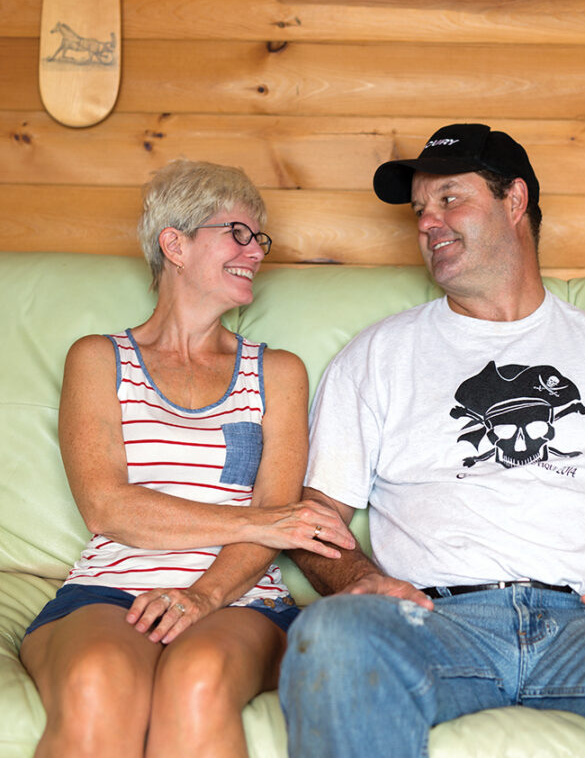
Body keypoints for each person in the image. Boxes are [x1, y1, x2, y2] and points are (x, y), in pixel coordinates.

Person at [279, 123, 585, 758]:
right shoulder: (378, 354)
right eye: (419, 211)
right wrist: (356, 580)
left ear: (514, 202)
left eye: (450, 199)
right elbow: (317, 515)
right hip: (434, 626)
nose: (429, 222)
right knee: (334, 633)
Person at [20, 159, 353, 758]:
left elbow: (277, 515)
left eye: (261, 239)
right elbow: (107, 508)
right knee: (97, 683)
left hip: (239, 597)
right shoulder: (97, 360)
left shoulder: (277, 373)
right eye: (238, 233)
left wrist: (203, 595)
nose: (256, 252)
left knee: (197, 680)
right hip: (109, 589)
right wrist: (258, 520)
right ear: (173, 243)